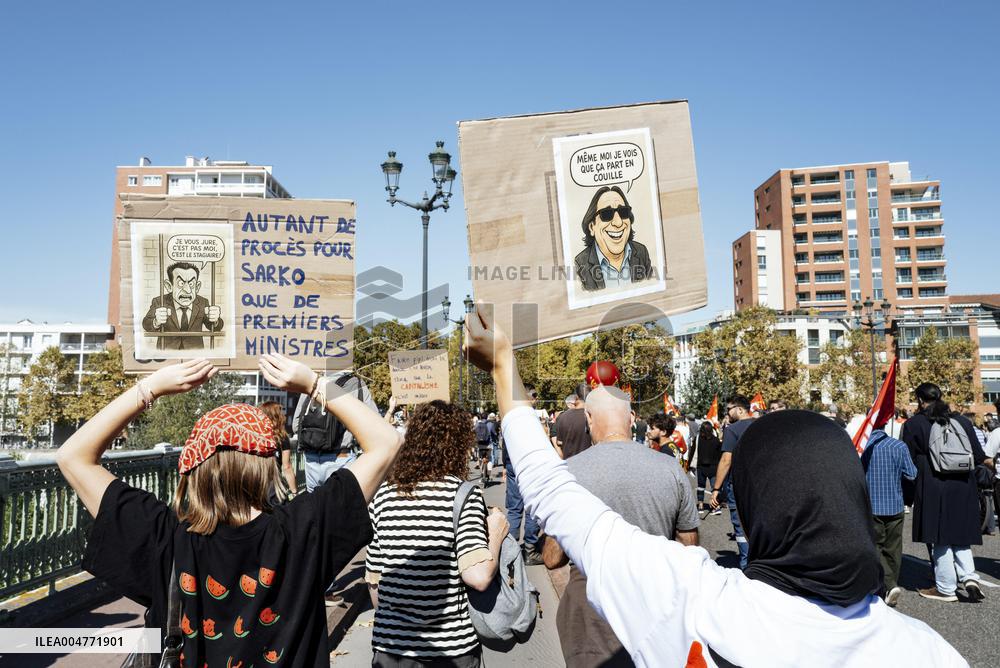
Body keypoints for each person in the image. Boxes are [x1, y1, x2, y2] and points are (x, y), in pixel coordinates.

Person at [461, 309, 966, 667]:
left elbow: (549, 488)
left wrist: (504, 365)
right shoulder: (930, 653)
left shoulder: (695, 599)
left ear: (757, 505)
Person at [58, 356, 402, 667]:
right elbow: (386, 442)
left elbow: (73, 457)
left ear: (193, 469)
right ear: (266, 466)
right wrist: (313, 383)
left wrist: (151, 387)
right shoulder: (304, 528)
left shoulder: (165, 537)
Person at [541, 386, 699, 667]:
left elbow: (552, 557)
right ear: (632, 418)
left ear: (589, 418)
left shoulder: (568, 473)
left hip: (591, 610)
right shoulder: (670, 468)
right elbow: (690, 547)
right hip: (655, 601)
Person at [365, 400, 508, 667]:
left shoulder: (382, 495)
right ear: (458, 445)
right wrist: (496, 534)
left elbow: (375, 582)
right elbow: (477, 577)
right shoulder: (462, 495)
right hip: (450, 649)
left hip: (392, 647)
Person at [901, 382, 994, 602]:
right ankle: (969, 577)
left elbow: (908, 460)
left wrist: (908, 493)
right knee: (960, 534)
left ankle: (945, 587)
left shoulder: (914, 424)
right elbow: (978, 455)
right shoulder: (962, 421)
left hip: (932, 483)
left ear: (920, 400)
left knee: (939, 537)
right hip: (963, 483)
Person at [293, 371, 378, 492]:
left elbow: (296, 426)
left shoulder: (312, 381)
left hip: (311, 461)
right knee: (342, 502)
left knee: (315, 502)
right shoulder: (355, 383)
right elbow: (374, 424)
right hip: (340, 459)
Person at [860, 427, 917, 607]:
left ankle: (880, 586)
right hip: (894, 504)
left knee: (874, 546)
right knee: (893, 548)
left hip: (871, 506)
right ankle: (890, 584)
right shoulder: (899, 446)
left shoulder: (863, 447)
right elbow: (912, 474)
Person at [573, 186, 653, 291]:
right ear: (592, 227)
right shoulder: (579, 265)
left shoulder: (642, 253)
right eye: (606, 214)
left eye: (623, 212)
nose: (618, 222)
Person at [708, 396, 754, 570]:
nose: (726, 413)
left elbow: (726, 460)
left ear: (740, 409)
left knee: (740, 527)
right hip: (760, 485)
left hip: (739, 485)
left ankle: (746, 567)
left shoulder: (732, 429)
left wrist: (716, 489)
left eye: (729, 409)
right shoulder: (761, 424)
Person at [141, 261, 224, 350]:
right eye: (181, 283)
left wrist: (215, 320)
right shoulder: (160, 302)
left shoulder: (203, 302)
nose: (187, 290)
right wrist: (156, 322)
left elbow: (215, 327)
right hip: (168, 353)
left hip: (194, 352)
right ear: (169, 286)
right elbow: (146, 324)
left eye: (191, 284)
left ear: (197, 287)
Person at [259, 400, 298, 501]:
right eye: (280, 413)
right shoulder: (282, 437)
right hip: (274, 486)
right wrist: (294, 492)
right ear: (276, 416)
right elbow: (287, 467)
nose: (283, 415)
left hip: (256, 483)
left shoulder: (255, 435)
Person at [691, 421, 722, 514]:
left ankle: (701, 506)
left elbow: (692, 451)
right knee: (714, 488)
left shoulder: (698, 439)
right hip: (713, 467)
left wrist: (690, 465)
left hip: (702, 466)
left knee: (701, 486)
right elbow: (720, 454)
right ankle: (715, 506)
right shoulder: (716, 440)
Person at [555, 383, 591, 459]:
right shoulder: (593, 417)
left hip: (569, 462)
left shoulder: (562, 417)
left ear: (576, 397)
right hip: (590, 462)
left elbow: (559, 442)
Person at [473, 411, 497, 485]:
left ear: (480, 417)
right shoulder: (490, 424)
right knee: (489, 458)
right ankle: (489, 473)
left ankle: (482, 473)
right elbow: (493, 433)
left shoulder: (477, 424)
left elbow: (473, 432)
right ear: (487, 417)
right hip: (488, 444)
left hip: (480, 445)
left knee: (480, 459)